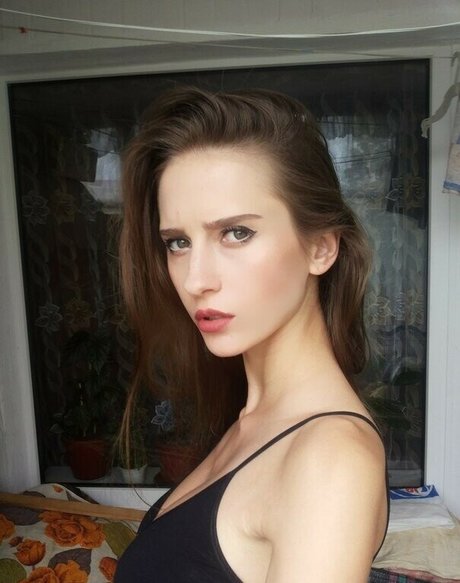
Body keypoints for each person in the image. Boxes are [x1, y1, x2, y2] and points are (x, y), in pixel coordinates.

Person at [115, 86, 389, 583]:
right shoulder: (251, 422)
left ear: (320, 248)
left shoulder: (329, 457)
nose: (196, 279)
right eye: (177, 242)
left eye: (236, 233)